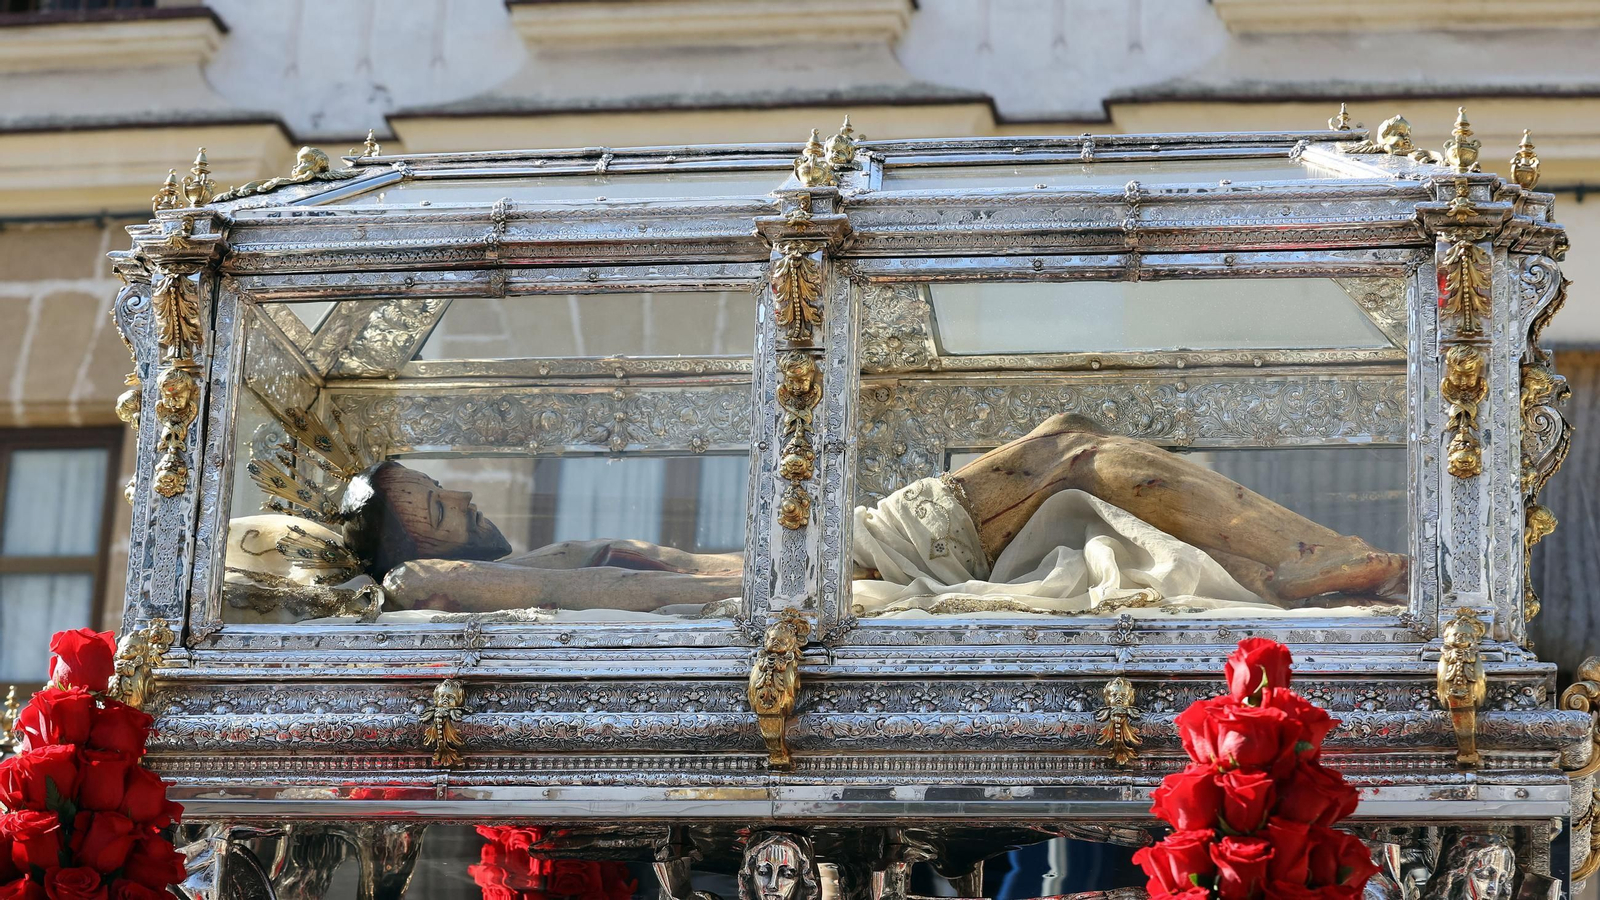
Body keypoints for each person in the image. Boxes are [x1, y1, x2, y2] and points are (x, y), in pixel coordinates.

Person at [351, 414, 1406, 619]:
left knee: (1075, 442)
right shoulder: (457, 590)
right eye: (439, 507)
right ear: (418, 547)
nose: (469, 497)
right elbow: (624, 590)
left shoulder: (516, 564)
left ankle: (1301, 558)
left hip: (832, 555)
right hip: (830, 567)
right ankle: (1306, 559)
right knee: (1073, 448)